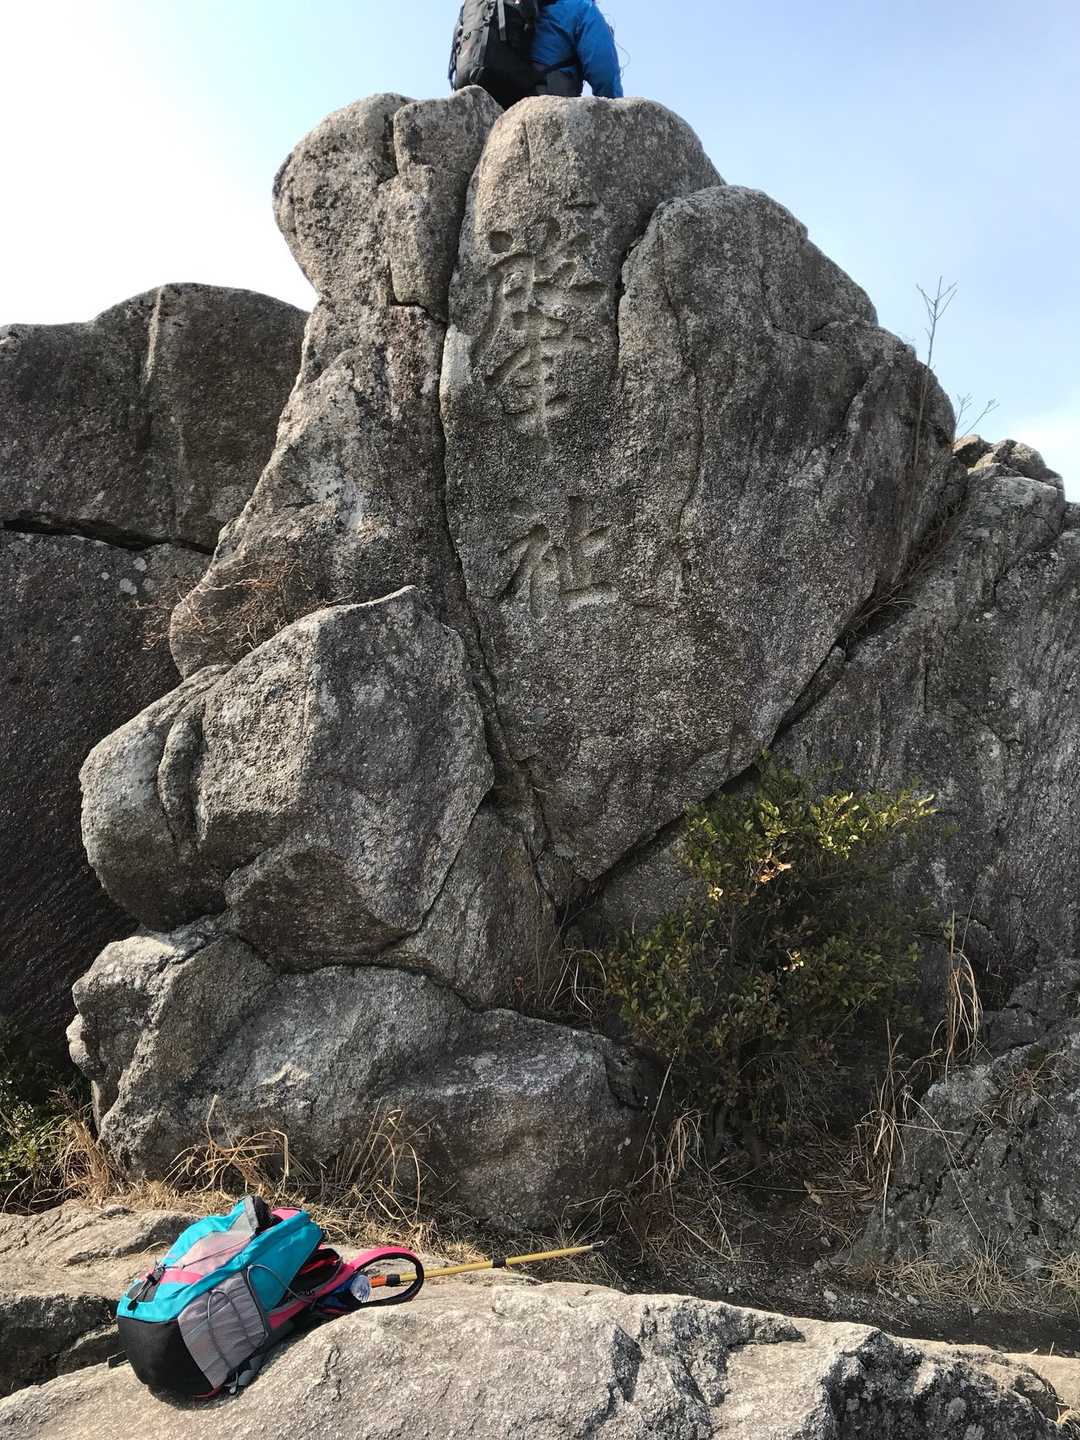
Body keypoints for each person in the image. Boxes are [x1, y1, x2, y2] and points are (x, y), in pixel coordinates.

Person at [532, 0, 623, 99]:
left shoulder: (530, 10)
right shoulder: (583, 8)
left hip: (520, 94)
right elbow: (605, 75)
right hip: (550, 98)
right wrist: (614, 106)